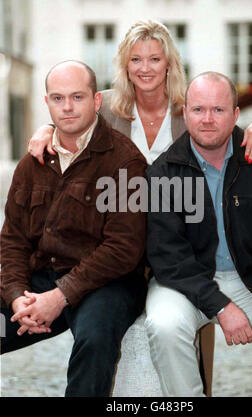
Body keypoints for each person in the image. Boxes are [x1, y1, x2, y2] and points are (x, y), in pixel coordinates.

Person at [26, 20, 252, 397]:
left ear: (169, 64)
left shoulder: (190, 110)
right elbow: (67, 119)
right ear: (125, 64)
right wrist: (44, 131)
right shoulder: (107, 109)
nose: (145, 67)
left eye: (154, 58)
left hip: (186, 249)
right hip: (116, 250)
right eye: (136, 59)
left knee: (190, 341)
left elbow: (239, 136)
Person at [145, 71, 252, 397]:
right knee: (164, 326)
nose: (207, 119)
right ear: (185, 113)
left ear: (236, 114)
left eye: (218, 109)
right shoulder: (162, 172)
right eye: (198, 109)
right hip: (182, 284)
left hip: (250, 281)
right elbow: (169, 258)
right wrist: (221, 307)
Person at [0, 60, 148, 397]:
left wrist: (60, 296)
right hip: (38, 280)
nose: (67, 107)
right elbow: (12, 240)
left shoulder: (125, 161)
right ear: (47, 103)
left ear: (97, 101)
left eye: (77, 97)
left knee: (95, 341)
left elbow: (124, 248)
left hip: (106, 284)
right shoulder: (31, 163)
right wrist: (15, 298)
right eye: (58, 98)